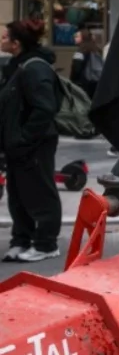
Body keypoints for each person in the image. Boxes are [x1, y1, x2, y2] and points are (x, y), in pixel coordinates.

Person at [0, 19, 63, 263]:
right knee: (18, 195)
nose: (2, 40)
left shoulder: (35, 69)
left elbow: (44, 109)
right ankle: (21, 240)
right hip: (17, 146)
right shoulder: (16, 66)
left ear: (16, 44)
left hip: (35, 145)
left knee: (41, 193)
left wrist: (25, 138)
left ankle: (47, 244)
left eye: (5, 37)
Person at [70, 27, 104, 101]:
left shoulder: (80, 52)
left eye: (77, 36)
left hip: (83, 85)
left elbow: (76, 69)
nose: (74, 38)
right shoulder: (97, 50)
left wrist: (72, 83)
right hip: (95, 83)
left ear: (83, 38)